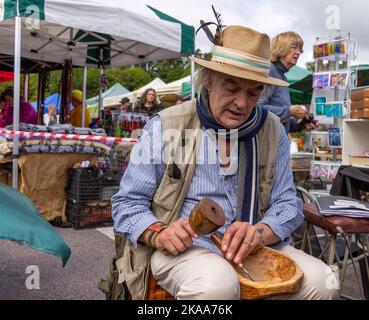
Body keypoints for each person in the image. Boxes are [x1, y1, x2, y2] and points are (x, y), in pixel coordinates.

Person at [111, 24, 338, 300]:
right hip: (186, 249)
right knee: (217, 285)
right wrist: (158, 232)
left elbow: (288, 203)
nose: (242, 103)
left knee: (325, 282)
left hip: (253, 247)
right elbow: (127, 203)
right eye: (231, 88)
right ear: (209, 80)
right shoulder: (166, 126)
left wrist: (260, 232)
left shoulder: (272, 130)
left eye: (253, 92)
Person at [257, 32, 317, 133]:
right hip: (266, 144)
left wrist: (301, 125)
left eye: (300, 49)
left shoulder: (282, 76)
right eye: (293, 47)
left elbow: (282, 125)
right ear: (280, 47)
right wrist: (290, 111)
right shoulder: (270, 70)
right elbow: (258, 109)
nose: (298, 52)